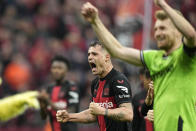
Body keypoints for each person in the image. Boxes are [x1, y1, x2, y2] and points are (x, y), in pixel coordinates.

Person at [81, 0, 196, 130]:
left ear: (177, 31)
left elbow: (191, 35)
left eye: (163, 28)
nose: (157, 33)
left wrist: (162, 5)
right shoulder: (154, 58)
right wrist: (95, 21)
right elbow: (117, 50)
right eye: (156, 29)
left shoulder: (186, 57)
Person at [56, 41, 133, 131]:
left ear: (107, 57)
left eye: (94, 54)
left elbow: (128, 114)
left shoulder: (119, 80)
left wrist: (103, 111)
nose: (90, 57)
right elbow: (94, 115)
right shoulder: (95, 83)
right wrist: (69, 117)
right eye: (89, 54)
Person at [38, 55, 79, 131]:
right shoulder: (49, 89)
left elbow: (71, 112)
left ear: (66, 70)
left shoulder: (72, 87)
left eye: (60, 68)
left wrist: (48, 101)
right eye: (54, 68)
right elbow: (43, 116)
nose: (56, 71)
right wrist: (41, 104)